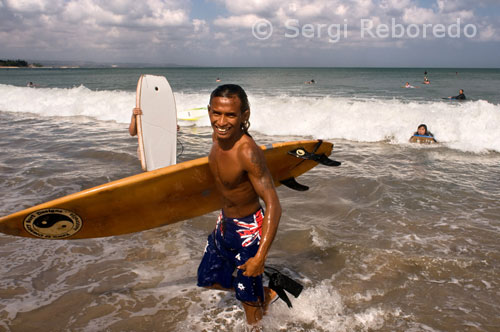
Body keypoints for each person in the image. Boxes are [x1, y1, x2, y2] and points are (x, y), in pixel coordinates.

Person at [197, 84, 281, 329]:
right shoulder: (217, 135)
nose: (221, 122)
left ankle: (255, 300)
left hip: (249, 232)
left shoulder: (247, 151)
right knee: (207, 279)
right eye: (216, 113)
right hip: (225, 224)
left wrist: (260, 257)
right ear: (209, 111)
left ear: (245, 115)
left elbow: (274, 203)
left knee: (250, 309)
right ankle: (263, 293)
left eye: (231, 115)